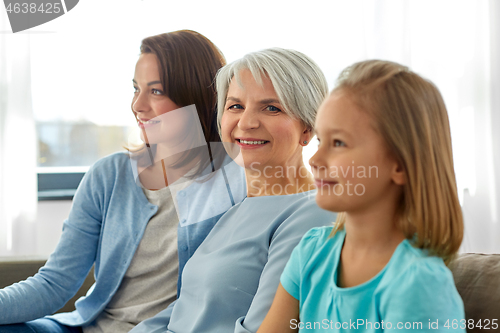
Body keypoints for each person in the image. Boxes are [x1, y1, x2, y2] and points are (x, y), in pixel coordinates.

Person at [0, 30, 246, 333]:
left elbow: (223, 300)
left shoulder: (235, 183)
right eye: (135, 89)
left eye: (156, 91)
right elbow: (54, 283)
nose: (138, 105)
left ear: (196, 97)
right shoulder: (108, 175)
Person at [130, 48, 336, 333]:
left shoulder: (312, 213)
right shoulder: (237, 209)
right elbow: (184, 309)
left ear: (307, 128)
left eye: (272, 107)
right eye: (235, 106)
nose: (246, 123)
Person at [257, 60, 466, 333]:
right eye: (320, 141)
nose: (316, 159)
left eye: (339, 143)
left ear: (400, 165)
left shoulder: (419, 284)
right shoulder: (310, 252)